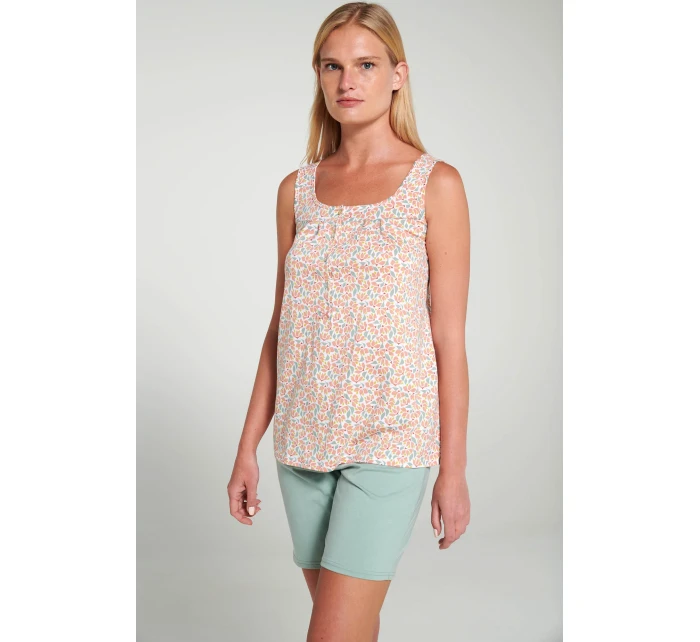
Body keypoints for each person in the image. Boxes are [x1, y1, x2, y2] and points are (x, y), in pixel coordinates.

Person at [228, 2, 471, 640]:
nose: (347, 81)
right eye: (332, 66)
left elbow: (449, 339)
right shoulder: (296, 190)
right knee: (349, 630)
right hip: (302, 440)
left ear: (398, 75)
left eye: (365, 65)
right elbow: (280, 328)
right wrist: (247, 448)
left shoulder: (435, 185)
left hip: (390, 439)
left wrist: (452, 471)